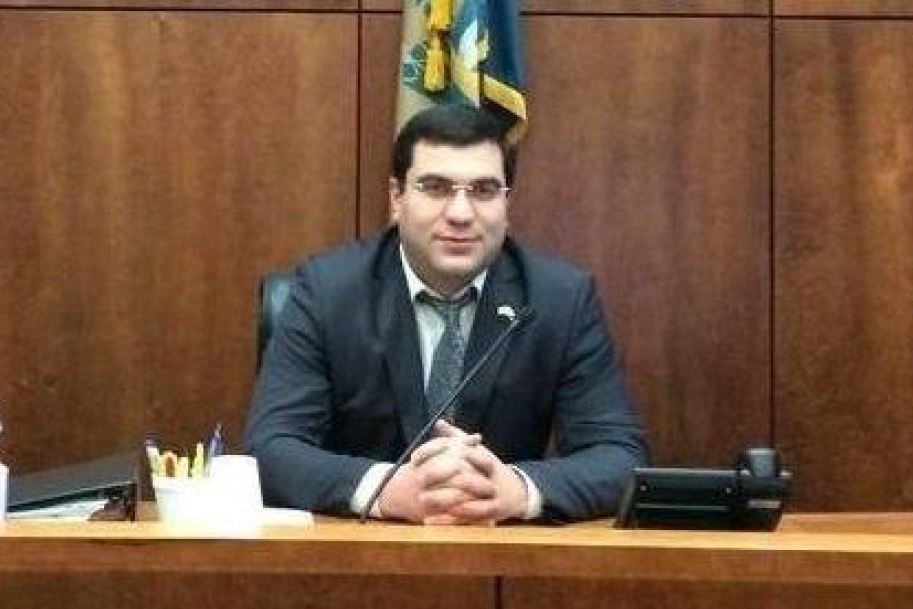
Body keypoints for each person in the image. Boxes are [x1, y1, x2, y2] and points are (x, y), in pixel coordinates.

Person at [244, 104, 648, 523]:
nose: (460, 214)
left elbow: (621, 456)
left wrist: (516, 490)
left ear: (507, 203)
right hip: (360, 550)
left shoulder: (560, 299)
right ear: (397, 197)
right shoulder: (328, 291)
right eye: (436, 187)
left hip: (501, 551)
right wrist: (387, 489)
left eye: (484, 190)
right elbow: (270, 450)